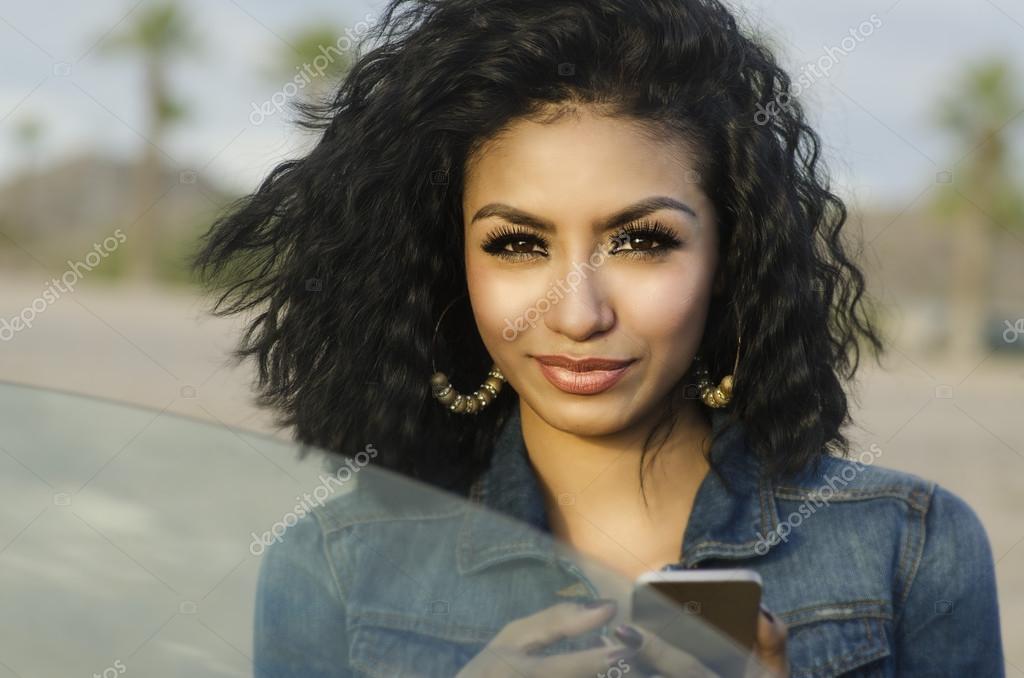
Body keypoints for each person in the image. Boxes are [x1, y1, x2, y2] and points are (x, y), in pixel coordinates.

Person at [191, 0, 1004, 675]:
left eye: (643, 241)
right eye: (517, 244)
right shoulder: (332, 570)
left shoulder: (908, 549)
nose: (579, 315)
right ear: (447, 264)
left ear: (733, 255)